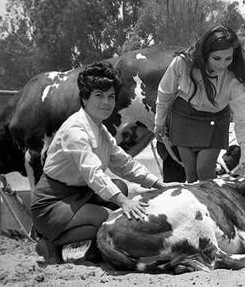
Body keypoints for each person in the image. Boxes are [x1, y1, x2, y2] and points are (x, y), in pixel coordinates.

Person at [30, 62, 164, 264]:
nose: (106, 102)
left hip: (79, 193)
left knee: (120, 187)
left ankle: (94, 252)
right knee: (106, 218)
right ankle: (50, 243)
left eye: (111, 96)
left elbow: (123, 163)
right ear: (84, 98)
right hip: (52, 201)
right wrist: (124, 202)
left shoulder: (99, 129)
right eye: (99, 96)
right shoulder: (75, 130)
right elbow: (94, 174)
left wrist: (157, 184)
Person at [154, 25, 245, 182]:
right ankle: (197, 206)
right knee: (191, 174)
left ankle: (216, 204)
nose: (222, 64)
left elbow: (243, 121)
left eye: (228, 58)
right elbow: (165, 91)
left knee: (204, 170)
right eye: (216, 58)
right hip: (185, 116)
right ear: (205, 54)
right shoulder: (182, 63)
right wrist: (159, 122)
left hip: (216, 119)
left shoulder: (234, 80)